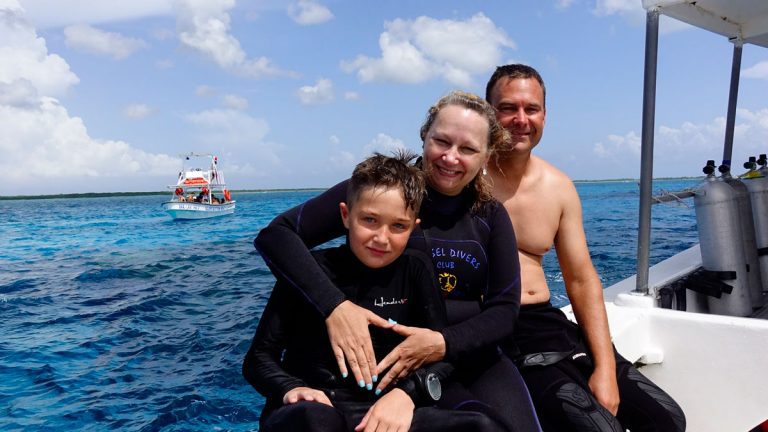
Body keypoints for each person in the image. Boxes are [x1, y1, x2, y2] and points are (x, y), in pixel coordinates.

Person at [254, 91, 541, 431]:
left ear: (487, 155)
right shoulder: (384, 193)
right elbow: (277, 236)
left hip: (463, 354)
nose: (450, 158)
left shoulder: (490, 215)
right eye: (441, 141)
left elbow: (505, 311)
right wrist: (335, 307)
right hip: (390, 364)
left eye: (467, 149)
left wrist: (442, 344)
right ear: (424, 137)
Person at [485, 64, 686, 432]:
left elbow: (580, 279)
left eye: (531, 109)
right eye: (507, 108)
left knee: (666, 419)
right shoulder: (462, 179)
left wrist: (605, 367)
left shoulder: (558, 187)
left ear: (545, 114)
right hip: (498, 331)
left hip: (547, 323)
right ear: (488, 112)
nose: (520, 119)